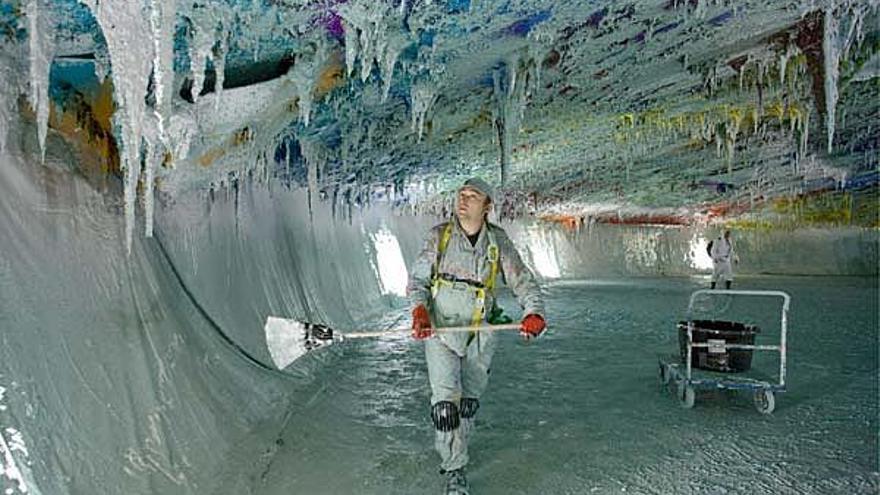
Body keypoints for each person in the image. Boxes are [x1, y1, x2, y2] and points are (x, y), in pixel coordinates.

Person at [407, 177, 546, 495]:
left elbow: (521, 280)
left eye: (473, 196)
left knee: (468, 402)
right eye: (461, 195)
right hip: (441, 331)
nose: (464, 200)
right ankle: (454, 468)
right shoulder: (439, 237)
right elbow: (418, 281)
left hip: (481, 334)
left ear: (487, 206)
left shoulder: (497, 243)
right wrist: (419, 310)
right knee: (445, 405)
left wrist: (533, 311)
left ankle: (460, 443)